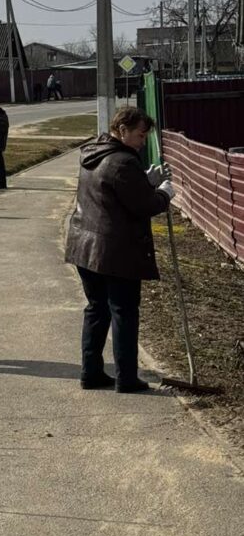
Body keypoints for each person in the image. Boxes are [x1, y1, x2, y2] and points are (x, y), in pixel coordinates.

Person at [64, 106, 175, 393]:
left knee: (97, 309)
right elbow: (143, 205)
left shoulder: (93, 153)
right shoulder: (123, 162)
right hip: (115, 251)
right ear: (122, 130)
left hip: (84, 246)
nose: (142, 141)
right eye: (140, 135)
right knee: (124, 311)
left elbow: (112, 192)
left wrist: (144, 182)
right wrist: (163, 193)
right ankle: (126, 378)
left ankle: (91, 373)